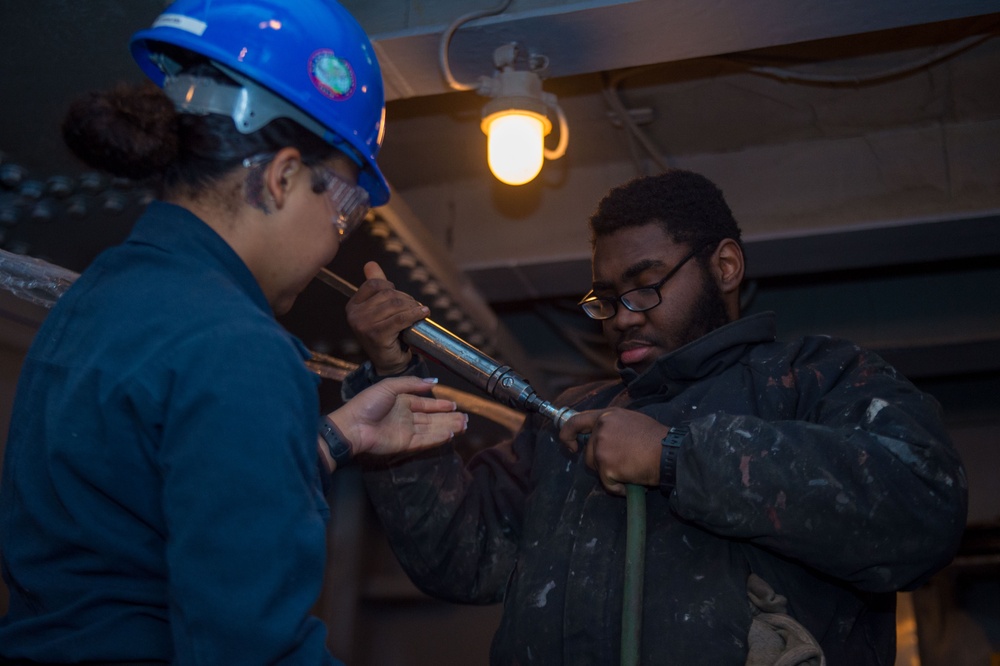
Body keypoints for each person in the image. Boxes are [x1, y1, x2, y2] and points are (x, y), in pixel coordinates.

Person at [341, 169, 969, 664]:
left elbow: (924, 508)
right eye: (607, 298)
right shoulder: (571, 422)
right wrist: (395, 386)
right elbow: (460, 559)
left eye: (645, 286)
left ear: (725, 266)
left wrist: (676, 455)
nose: (623, 316)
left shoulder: (816, 378)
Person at [0, 1, 467, 664]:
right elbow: (255, 649)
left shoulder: (99, 296)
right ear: (280, 179)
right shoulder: (239, 347)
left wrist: (333, 439)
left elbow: (141, 505)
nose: (337, 241)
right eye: (342, 207)